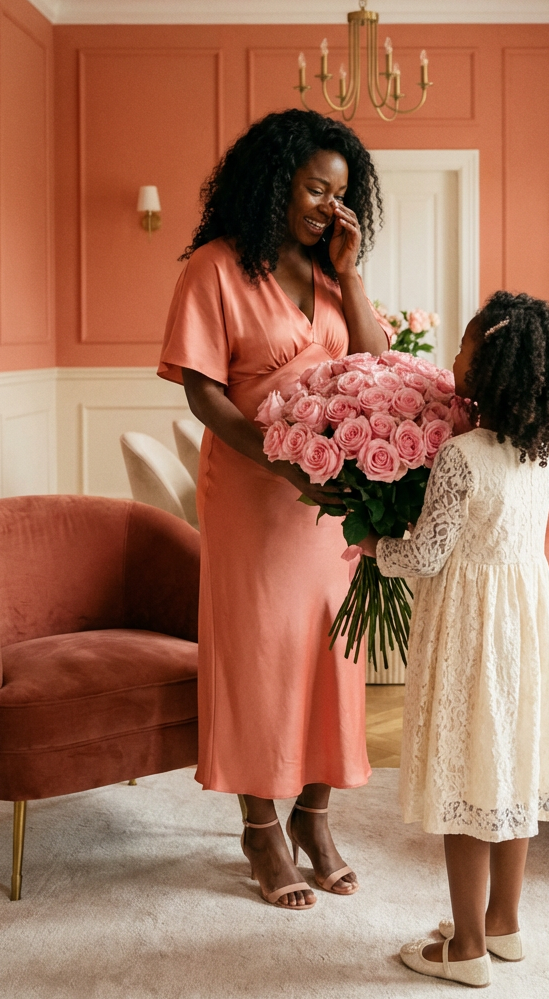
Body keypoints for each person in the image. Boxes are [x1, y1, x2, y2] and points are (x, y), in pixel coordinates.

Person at [158, 109, 389, 910]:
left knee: (335, 653)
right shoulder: (216, 267)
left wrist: (351, 274)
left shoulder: (331, 273)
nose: (329, 205)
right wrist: (286, 465)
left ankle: (315, 818)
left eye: (341, 194)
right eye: (315, 187)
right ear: (275, 180)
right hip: (256, 495)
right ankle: (262, 828)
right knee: (261, 657)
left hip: (334, 507)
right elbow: (205, 396)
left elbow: (375, 365)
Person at [361, 291, 549, 986]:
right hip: (526, 617)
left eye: (463, 347)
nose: (453, 358)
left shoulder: (462, 456)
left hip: (470, 625)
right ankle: (504, 922)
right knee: (511, 761)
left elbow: (427, 555)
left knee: (465, 771)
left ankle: (464, 948)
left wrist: (375, 544)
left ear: (487, 365)